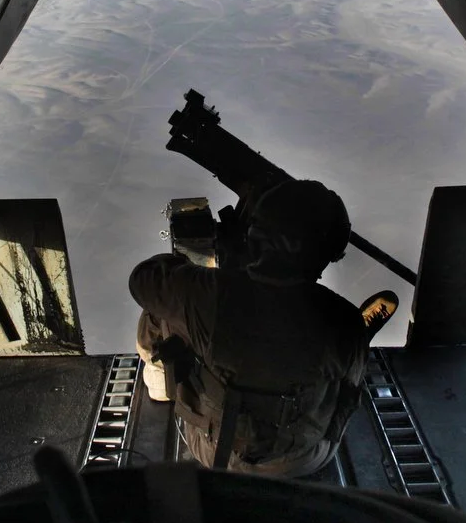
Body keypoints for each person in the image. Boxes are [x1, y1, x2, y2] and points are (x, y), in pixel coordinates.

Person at [130, 179, 399, 478]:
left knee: (162, 313)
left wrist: (220, 272)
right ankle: (359, 341)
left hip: (217, 455)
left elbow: (142, 279)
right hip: (304, 459)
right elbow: (347, 398)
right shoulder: (343, 318)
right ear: (326, 254)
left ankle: (158, 386)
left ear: (255, 239)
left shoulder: (208, 295)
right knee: (346, 359)